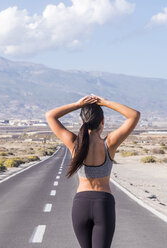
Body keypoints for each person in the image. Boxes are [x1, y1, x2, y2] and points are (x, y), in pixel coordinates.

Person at [45, 94, 140, 248]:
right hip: (103, 203)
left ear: (82, 122)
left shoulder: (74, 143)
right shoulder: (109, 143)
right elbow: (134, 115)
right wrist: (105, 103)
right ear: (102, 122)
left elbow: (50, 116)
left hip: (80, 204)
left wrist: (77, 104)